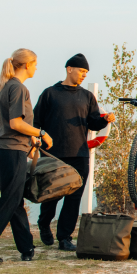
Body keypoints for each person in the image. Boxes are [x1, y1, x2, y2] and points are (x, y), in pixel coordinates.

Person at [0, 48, 54, 266]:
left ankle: (26, 247)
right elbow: (16, 123)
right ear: (27, 65)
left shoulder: (4, 88)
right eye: (35, 64)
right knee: (9, 200)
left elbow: (11, 126)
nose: (36, 68)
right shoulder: (19, 88)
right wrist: (41, 133)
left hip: (0, 149)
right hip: (11, 151)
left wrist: (31, 141)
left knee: (15, 199)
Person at [33, 53, 114, 251]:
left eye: (86, 72)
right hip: (53, 154)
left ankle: (65, 238)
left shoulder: (87, 96)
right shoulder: (50, 93)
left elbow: (93, 123)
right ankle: (44, 222)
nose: (84, 75)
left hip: (79, 154)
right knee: (52, 195)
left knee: (74, 197)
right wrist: (37, 141)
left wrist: (104, 120)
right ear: (70, 69)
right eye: (81, 70)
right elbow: (36, 122)